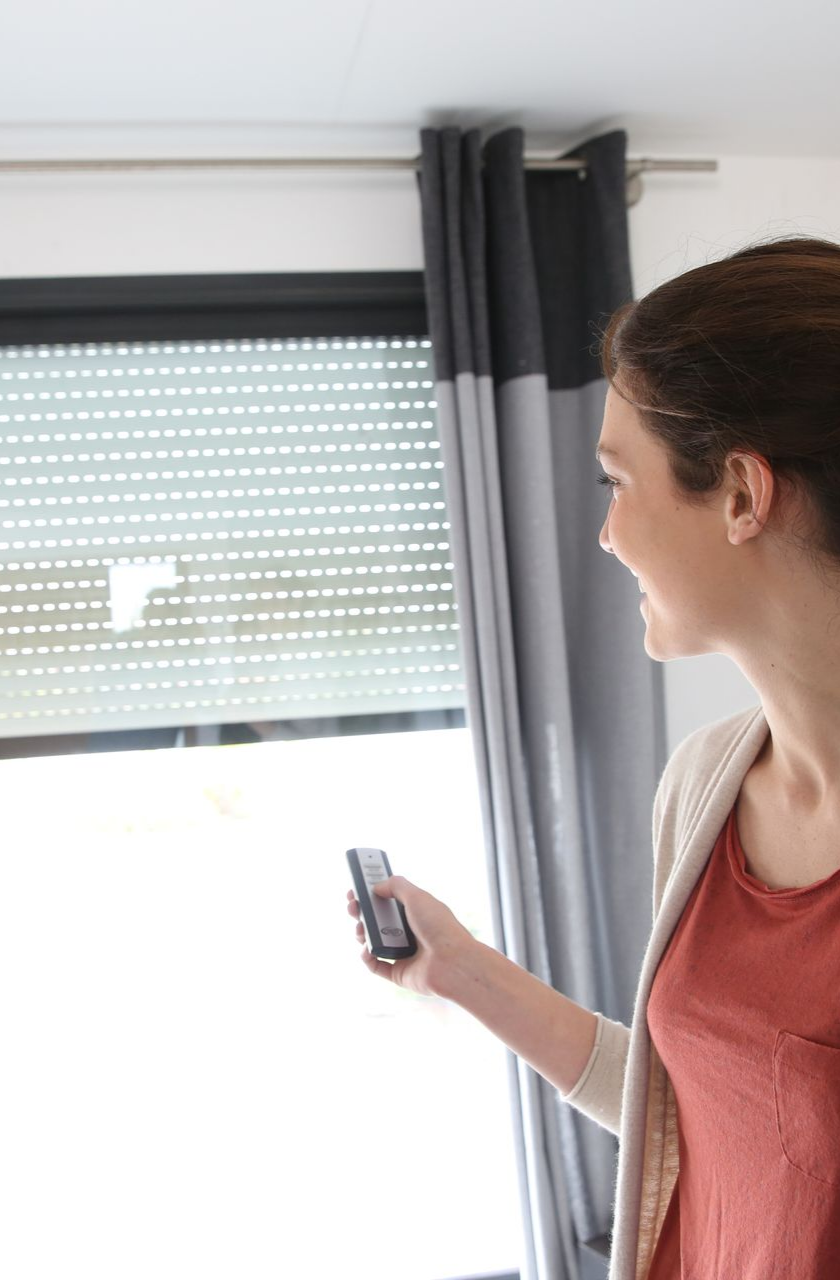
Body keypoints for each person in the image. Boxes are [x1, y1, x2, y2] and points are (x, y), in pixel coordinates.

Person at [346, 236, 840, 1279]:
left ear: (744, 494)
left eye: (620, 480)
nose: (607, 535)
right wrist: (463, 968)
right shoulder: (705, 784)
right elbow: (696, 1111)